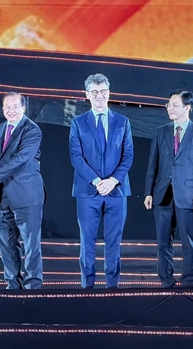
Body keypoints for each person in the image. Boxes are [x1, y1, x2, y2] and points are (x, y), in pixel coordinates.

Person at [69, 73, 134, 289]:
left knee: (114, 242)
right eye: (95, 92)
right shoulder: (78, 123)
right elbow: (76, 157)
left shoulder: (122, 122)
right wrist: (97, 181)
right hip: (88, 191)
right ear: (87, 94)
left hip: (117, 191)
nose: (100, 96)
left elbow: (128, 156)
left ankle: (112, 288)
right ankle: (87, 288)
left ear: (109, 93)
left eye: (103, 91)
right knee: (87, 242)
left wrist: (113, 180)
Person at [0, 92, 45, 289]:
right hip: (1, 196)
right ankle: (13, 286)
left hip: (26, 196)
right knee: (6, 245)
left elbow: (20, 159)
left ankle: (32, 289)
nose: (11, 111)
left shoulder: (32, 130)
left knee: (31, 246)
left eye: (15, 107)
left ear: (23, 108)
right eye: (7, 107)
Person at [144, 90, 193, 288]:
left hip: (188, 196)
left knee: (189, 242)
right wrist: (148, 192)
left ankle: (189, 281)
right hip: (162, 195)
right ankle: (166, 281)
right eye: (168, 105)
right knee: (163, 242)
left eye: (175, 105)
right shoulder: (161, 132)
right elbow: (152, 165)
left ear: (187, 108)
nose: (170, 109)